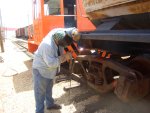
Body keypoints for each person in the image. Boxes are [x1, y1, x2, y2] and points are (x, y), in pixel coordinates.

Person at [32, 27, 80, 113]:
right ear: (58, 41)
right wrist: (65, 57)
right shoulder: (47, 45)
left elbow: (69, 30)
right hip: (41, 70)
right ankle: (39, 111)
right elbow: (51, 63)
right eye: (63, 45)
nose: (64, 47)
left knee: (49, 88)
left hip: (50, 71)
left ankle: (50, 105)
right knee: (40, 93)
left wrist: (74, 32)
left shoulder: (58, 33)